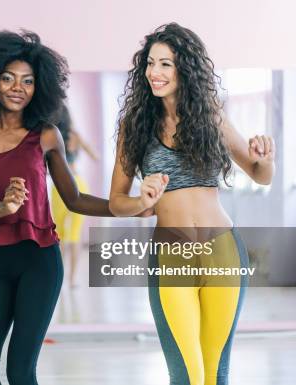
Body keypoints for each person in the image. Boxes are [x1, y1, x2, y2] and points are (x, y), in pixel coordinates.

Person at [108, 23, 274, 385]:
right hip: (172, 254)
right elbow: (116, 202)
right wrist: (141, 200)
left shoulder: (211, 117)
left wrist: (266, 159)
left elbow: (260, 174)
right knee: (187, 375)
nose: (155, 72)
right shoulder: (133, 126)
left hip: (223, 250)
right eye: (151, 63)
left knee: (217, 373)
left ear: (186, 68)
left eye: (166, 64)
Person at [0, 30, 112, 385]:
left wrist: (129, 208)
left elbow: (75, 200)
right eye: (8, 78)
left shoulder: (46, 135)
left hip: (40, 261)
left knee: (21, 372)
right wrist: (5, 206)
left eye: (28, 80)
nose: (17, 87)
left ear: (40, 87)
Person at [51, 104, 99, 287]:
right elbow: (95, 156)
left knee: (60, 234)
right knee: (75, 234)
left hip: (58, 186)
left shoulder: (50, 137)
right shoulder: (74, 136)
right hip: (78, 183)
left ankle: (61, 277)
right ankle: (71, 279)